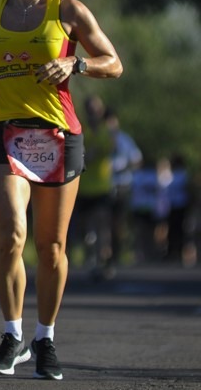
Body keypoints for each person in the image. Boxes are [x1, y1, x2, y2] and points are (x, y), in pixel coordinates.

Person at [0, 0, 122, 380]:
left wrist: (77, 62)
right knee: (9, 234)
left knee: (51, 248)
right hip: (4, 133)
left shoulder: (68, 10)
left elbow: (114, 62)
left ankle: (44, 337)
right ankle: (12, 335)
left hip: (57, 135)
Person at [68, 95, 116, 281]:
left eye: (96, 110)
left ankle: (103, 261)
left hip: (103, 186)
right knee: (85, 228)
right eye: (90, 110)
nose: (93, 113)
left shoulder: (107, 130)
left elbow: (110, 149)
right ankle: (91, 260)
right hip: (84, 186)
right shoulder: (81, 129)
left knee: (102, 225)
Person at [105, 107, 142, 268]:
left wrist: (125, 165)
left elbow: (137, 159)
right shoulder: (99, 138)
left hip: (122, 185)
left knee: (118, 222)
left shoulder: (125, 140)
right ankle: (101, 253)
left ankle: (117, 253)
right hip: (103, 186)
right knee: (102, 221)